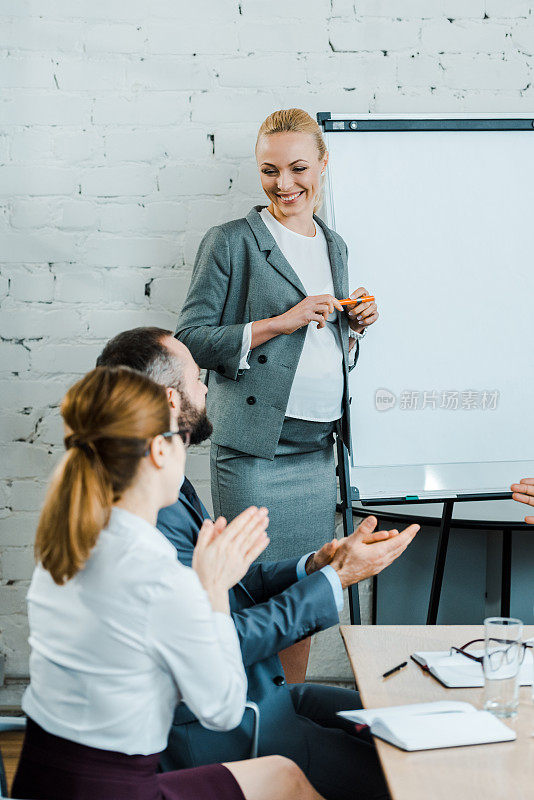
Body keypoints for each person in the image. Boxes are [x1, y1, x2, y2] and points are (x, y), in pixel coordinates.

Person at [97, 327, 420, 800]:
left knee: (390, 719)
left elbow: (227, 585)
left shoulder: (163, 485)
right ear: (170, 400)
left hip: (265, 695)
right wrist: (339, 578)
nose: (207, 386)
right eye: (196, 376)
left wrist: (312, 566)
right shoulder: (149, 512)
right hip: (226, 729)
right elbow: (219, 639)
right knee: (404, 774)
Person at [11, 366, 326, 800]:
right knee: (285, 777)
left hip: (39, 780)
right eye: (182, 437)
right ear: (160, 451)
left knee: (281, 775)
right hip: (112, 790)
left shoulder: (64, 548)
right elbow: (223, 710)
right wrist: (212, 590)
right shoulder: (159, 577)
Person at [175, 107, 379, 570]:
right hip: (254, 449)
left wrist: (354, 327)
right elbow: (188, 339)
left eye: (298, 168)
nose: (284, 183)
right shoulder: (230, 241)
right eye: (270, 171)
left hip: (318, 447)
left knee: (306, 589)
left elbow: (322, 344)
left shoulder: (335, 244)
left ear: (323, 164)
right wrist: (280, 322)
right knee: (250, 585)